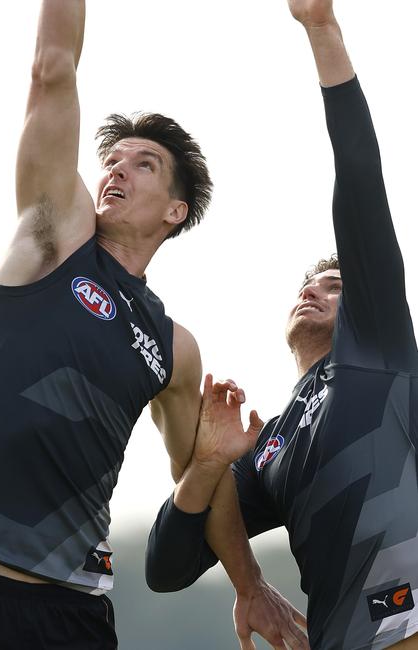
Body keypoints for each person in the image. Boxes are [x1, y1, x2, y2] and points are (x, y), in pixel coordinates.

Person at [0, 2, 307, 649]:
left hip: (72, 616)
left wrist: (250, 583)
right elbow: (51, 69)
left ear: (176, 210)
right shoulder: (53, 240)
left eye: (142, 163)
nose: (116, 168)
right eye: (112, 159)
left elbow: (198, 477)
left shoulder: (174, 348)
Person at [145, 1, 418, 648]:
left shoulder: (377, 347)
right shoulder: (270, 448)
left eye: (336, 285)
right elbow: (167, 565)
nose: (314, 290)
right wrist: (208, 464)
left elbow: (358, 178)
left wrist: (322, 29)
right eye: (308, 284)